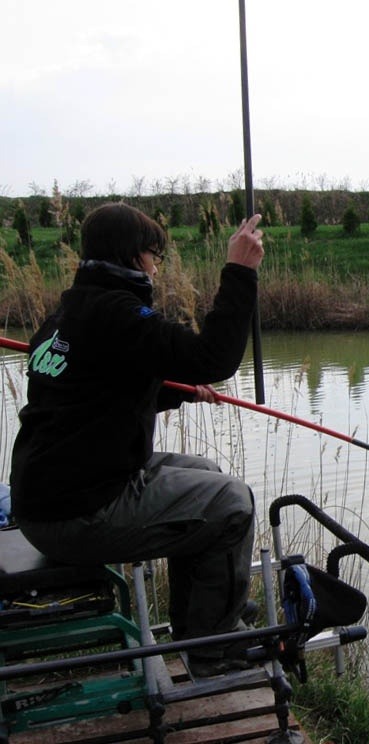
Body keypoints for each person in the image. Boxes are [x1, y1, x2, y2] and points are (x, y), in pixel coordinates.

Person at [9, 202, 265, 677]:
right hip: (77, 513)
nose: (155, 266)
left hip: (48, 497)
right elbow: (212, 356)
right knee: (232, 503)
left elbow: (96, 389)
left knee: (206, 475)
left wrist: (175, 391)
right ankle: (212, 657)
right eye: (154, 255)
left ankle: (205, 620)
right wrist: (239, 271)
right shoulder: (117, 312)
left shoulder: (70, 309)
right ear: (132, 256)